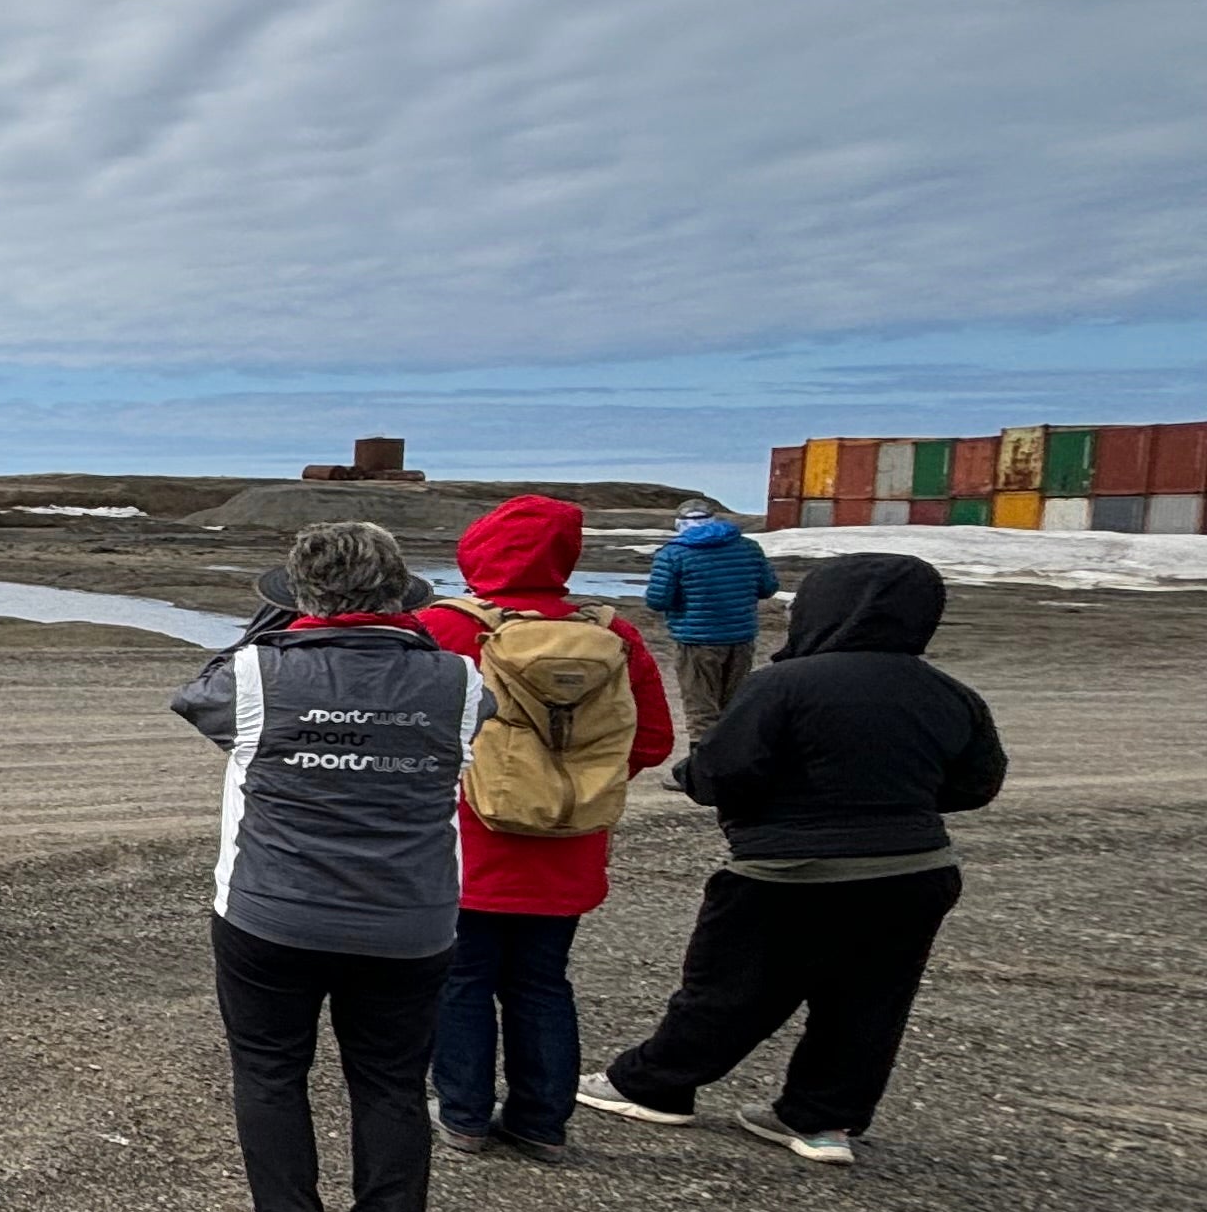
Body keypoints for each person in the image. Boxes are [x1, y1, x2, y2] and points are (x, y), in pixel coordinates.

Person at [579, 554, 1004, 1166]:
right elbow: (976, 785)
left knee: (730, 989)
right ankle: (821, 1120)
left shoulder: (782, 685)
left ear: (825, 610)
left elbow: (724, 772)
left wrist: (693, 776)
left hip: (788, 869)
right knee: (869, 1002)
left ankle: (655, 1086)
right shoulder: (950, 694)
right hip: (913, 871)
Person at [170, 522, 488, 1212]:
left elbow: (198, 697)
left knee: (271, 1071)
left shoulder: (257, 672)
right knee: (391, 1084)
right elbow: (467, 723)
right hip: (410, 918)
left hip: (273, 910)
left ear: (300, 595)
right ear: (401, 592)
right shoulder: (458, 679)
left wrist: (270, 630)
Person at [415, 496, 675, 1162]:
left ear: (478, 550)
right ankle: (541, 1123)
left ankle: (464, 1113)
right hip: (570, 841)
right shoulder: (613, 633)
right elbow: (651, 741)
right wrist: (575, 782)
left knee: (462, 979)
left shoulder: (443, 627)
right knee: (542, 982)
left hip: (464, 842)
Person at [642, 495, 778, 742]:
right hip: (741, 637)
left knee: (701, 707)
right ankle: (732, 756)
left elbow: (658, 600)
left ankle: (702, 762)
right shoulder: (748, 548)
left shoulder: (674, 554)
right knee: (733, 704)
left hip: (697, 640)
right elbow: (768, 588)